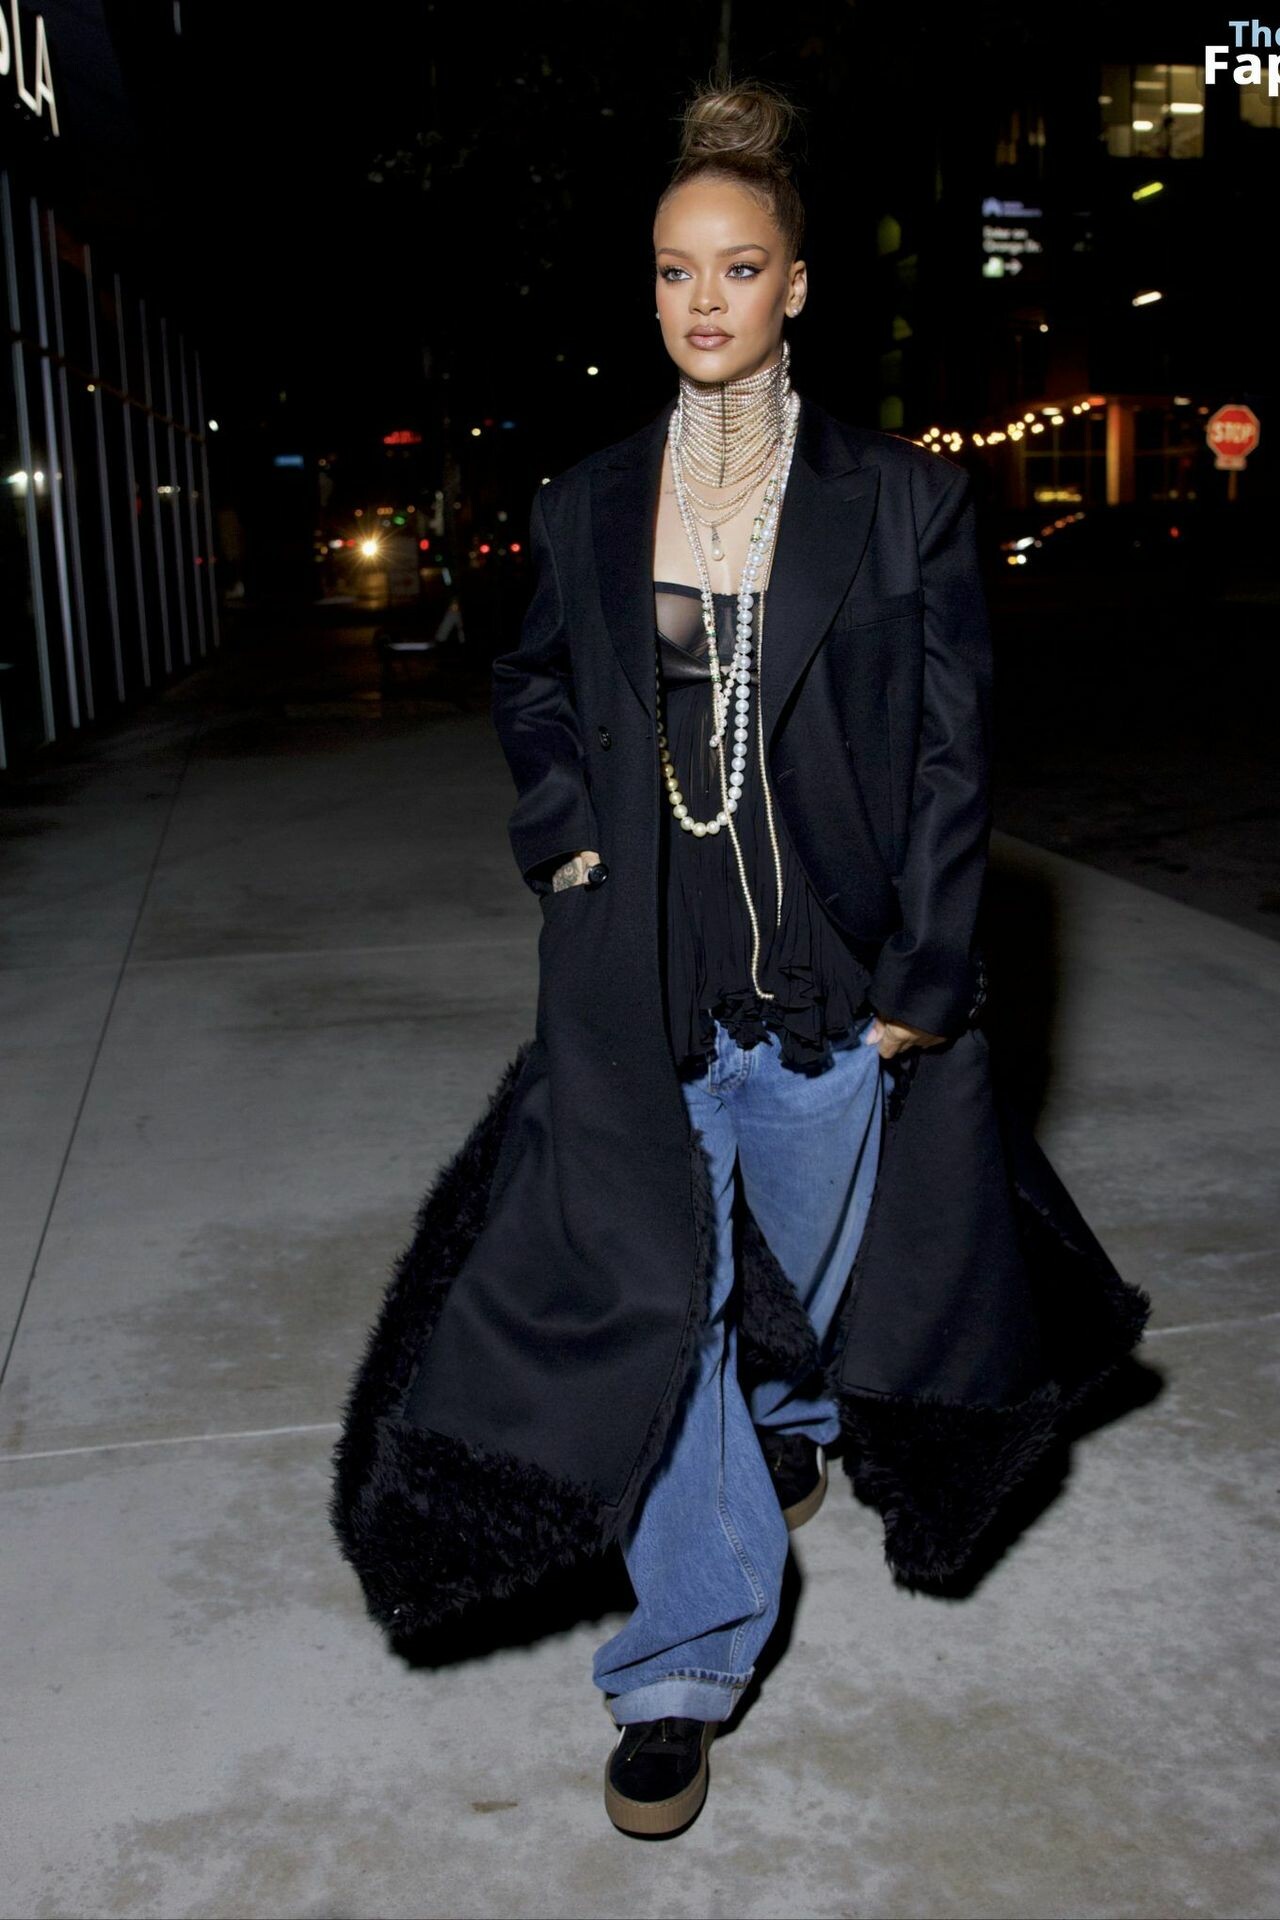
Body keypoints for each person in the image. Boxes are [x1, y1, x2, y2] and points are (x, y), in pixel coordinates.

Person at [329, 77, 1151, 1845]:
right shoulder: (589, 502)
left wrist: (925, 975)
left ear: (795, 285)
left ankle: (787, 1425)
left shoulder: (902, 501)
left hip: (833, 984)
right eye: (671, 269)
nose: (701, 299)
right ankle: (682, 1662)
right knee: (665, 1300)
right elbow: (530, 679)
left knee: (797, 1280)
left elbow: (955, 758)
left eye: (738, 265)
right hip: (638, 978)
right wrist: (560, 827)